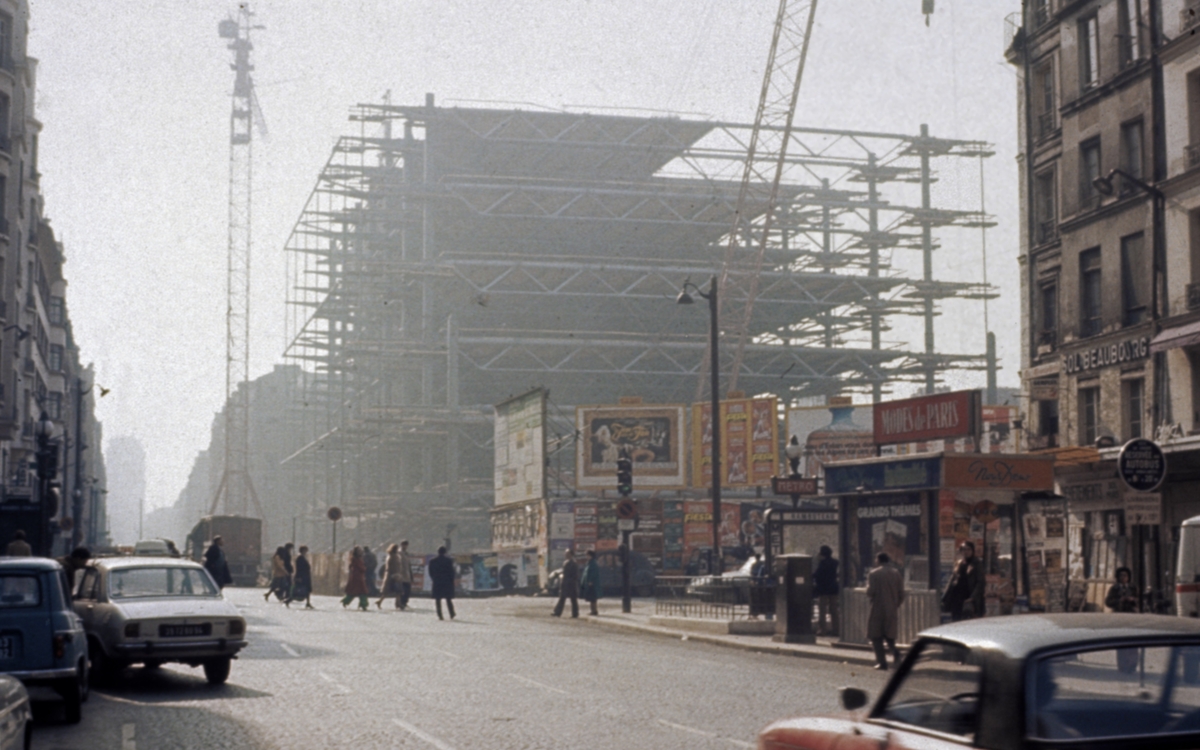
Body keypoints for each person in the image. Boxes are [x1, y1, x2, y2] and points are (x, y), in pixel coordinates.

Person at [867, 552, 905, 671]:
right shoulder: (896, 573)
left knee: (876, 636)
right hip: (892, 609)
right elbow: (902, 594)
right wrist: (895, 604)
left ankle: (882, 662)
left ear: (878, 560)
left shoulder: (874, 574)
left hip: (878, 608)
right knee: (890, 636)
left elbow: (870, 592)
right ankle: (896, 654)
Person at [942, 541, 985, 621]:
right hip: (957, 598)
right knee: (956, 620)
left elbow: (980, 582)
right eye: (964, 550)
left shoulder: (977, 563)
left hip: (968, 598)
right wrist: (945, 597)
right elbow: (952, 580)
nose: (966, 552)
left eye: (968, 549)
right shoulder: (959, 563)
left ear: (972, 551)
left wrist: (972, 597)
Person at [813, 545, 840, 637]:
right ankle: (836, 630)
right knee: (834, 610)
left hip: (823, 589)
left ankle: (822, 630)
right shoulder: (836, 562)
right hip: (834, 589)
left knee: (822, 610)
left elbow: (817, 575)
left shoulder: (822, 563)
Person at [427, 546, 456, 620]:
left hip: (437, 582)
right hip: (447, 582)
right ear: (445, 552)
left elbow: (430, 572)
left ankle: (439, 614)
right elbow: (452, 572)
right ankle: (451, 613)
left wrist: (434, 579)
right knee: (448, 599)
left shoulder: (432, 561)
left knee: (438, 599)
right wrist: (451, 580)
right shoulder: (449, 560)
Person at [553, 549, 580, 618]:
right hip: (565, 583)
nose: (565, 555)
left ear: (571, 555)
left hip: (571, 584)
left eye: (567, 554)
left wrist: (570, 581)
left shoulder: (574, 563)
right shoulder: (565, 563)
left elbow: (575, 575)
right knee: (562, 598)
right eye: (565, 554)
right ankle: (557, 612)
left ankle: (575, 613)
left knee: (573, 599)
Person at [341, 546, 369, 610]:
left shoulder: (355, 559)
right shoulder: (356, 559)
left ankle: (346, 601)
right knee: (362, 592)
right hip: (358, 578)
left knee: (353, 592)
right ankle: (363, 604)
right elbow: (361, 568)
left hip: (356, 577)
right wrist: (364, 568)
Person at [376, 543, 403, 610]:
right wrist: (397, 574)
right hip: (394, 575)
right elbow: (395, 566)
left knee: (392, 591)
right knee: (397, 590)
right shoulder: (394, 557)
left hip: (391, 575)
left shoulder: (391, 556)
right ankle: (398, 604)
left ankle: (397, 603)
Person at [580, 549, 601, 616]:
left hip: (592, 583)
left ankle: (594, 611)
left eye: (587, 555)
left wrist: (591, 581)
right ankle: (592, 610)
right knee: (591, 597)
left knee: (593, 597)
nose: (586, 556)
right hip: (588, 582)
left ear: (590, 555)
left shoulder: (593, 563)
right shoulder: (589, 563)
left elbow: (593, 573)